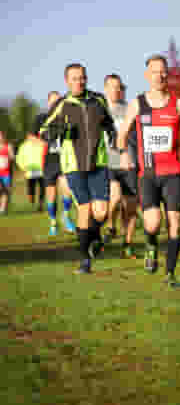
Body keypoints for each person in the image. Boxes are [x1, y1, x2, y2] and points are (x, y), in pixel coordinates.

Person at [117, 54, 180, 287]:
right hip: (147, 175)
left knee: (175, 225)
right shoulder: (138, 104)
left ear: (166, 74)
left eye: (162, 71)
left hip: (172, 174)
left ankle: (170, 274)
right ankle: (151, 244)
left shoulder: (177, 104)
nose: (159, 75)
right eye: (154, 71)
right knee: (152, 223)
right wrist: (124, 153)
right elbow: (121, 134)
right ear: (147, 76)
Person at [40, 63, 116, 274]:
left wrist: (113, 134)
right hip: (73, 165)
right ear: (67, 81)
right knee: (84, 209)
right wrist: (58, 129)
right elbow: (44, 131)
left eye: (82, 77)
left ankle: (94, 238)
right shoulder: (62, 104)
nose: (79, 81)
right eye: (74, 78)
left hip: (98, 163)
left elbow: (109, 122)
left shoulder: (98, 99)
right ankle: (85, 261)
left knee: (100, 212)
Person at [103, 74, 138, 259]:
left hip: (130, 163)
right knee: (115, 198)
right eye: (112, 87)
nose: (116, 90)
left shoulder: (131, 109)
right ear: (105, 89)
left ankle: (128, 244)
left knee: (130, 207)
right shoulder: (100, 111)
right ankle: (110, 225)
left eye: (119, 87)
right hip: (109, 163)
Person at [34, 91, 75, 236]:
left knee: (67, 189)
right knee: (50, 194)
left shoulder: (66, 117)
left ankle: (66, 216)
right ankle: (53, 222)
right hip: (49, 161)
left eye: (58, 101)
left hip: (65, 160)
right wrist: (45, 140)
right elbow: (32, 137)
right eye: (53, 101)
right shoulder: (41, 118)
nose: (56, 103)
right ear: (48, 103)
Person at [16, 131, 46, 211]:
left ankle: (40, 204)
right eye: (29, 136)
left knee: (43, 187)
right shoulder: (23, 146)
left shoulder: (42, 144)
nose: (31, 138)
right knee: (31, 188)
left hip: (41, 170)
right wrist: (23, 167)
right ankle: (32, 200)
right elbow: (19, 158)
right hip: (29, 170)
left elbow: (46, 155)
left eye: (33, 136)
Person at [0, 130, 14, 215]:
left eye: (1, 136)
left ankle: (2, 209)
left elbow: (12, 158)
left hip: (6, 173)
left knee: (5, 191)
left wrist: (10, 154)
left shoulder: (8, 146)